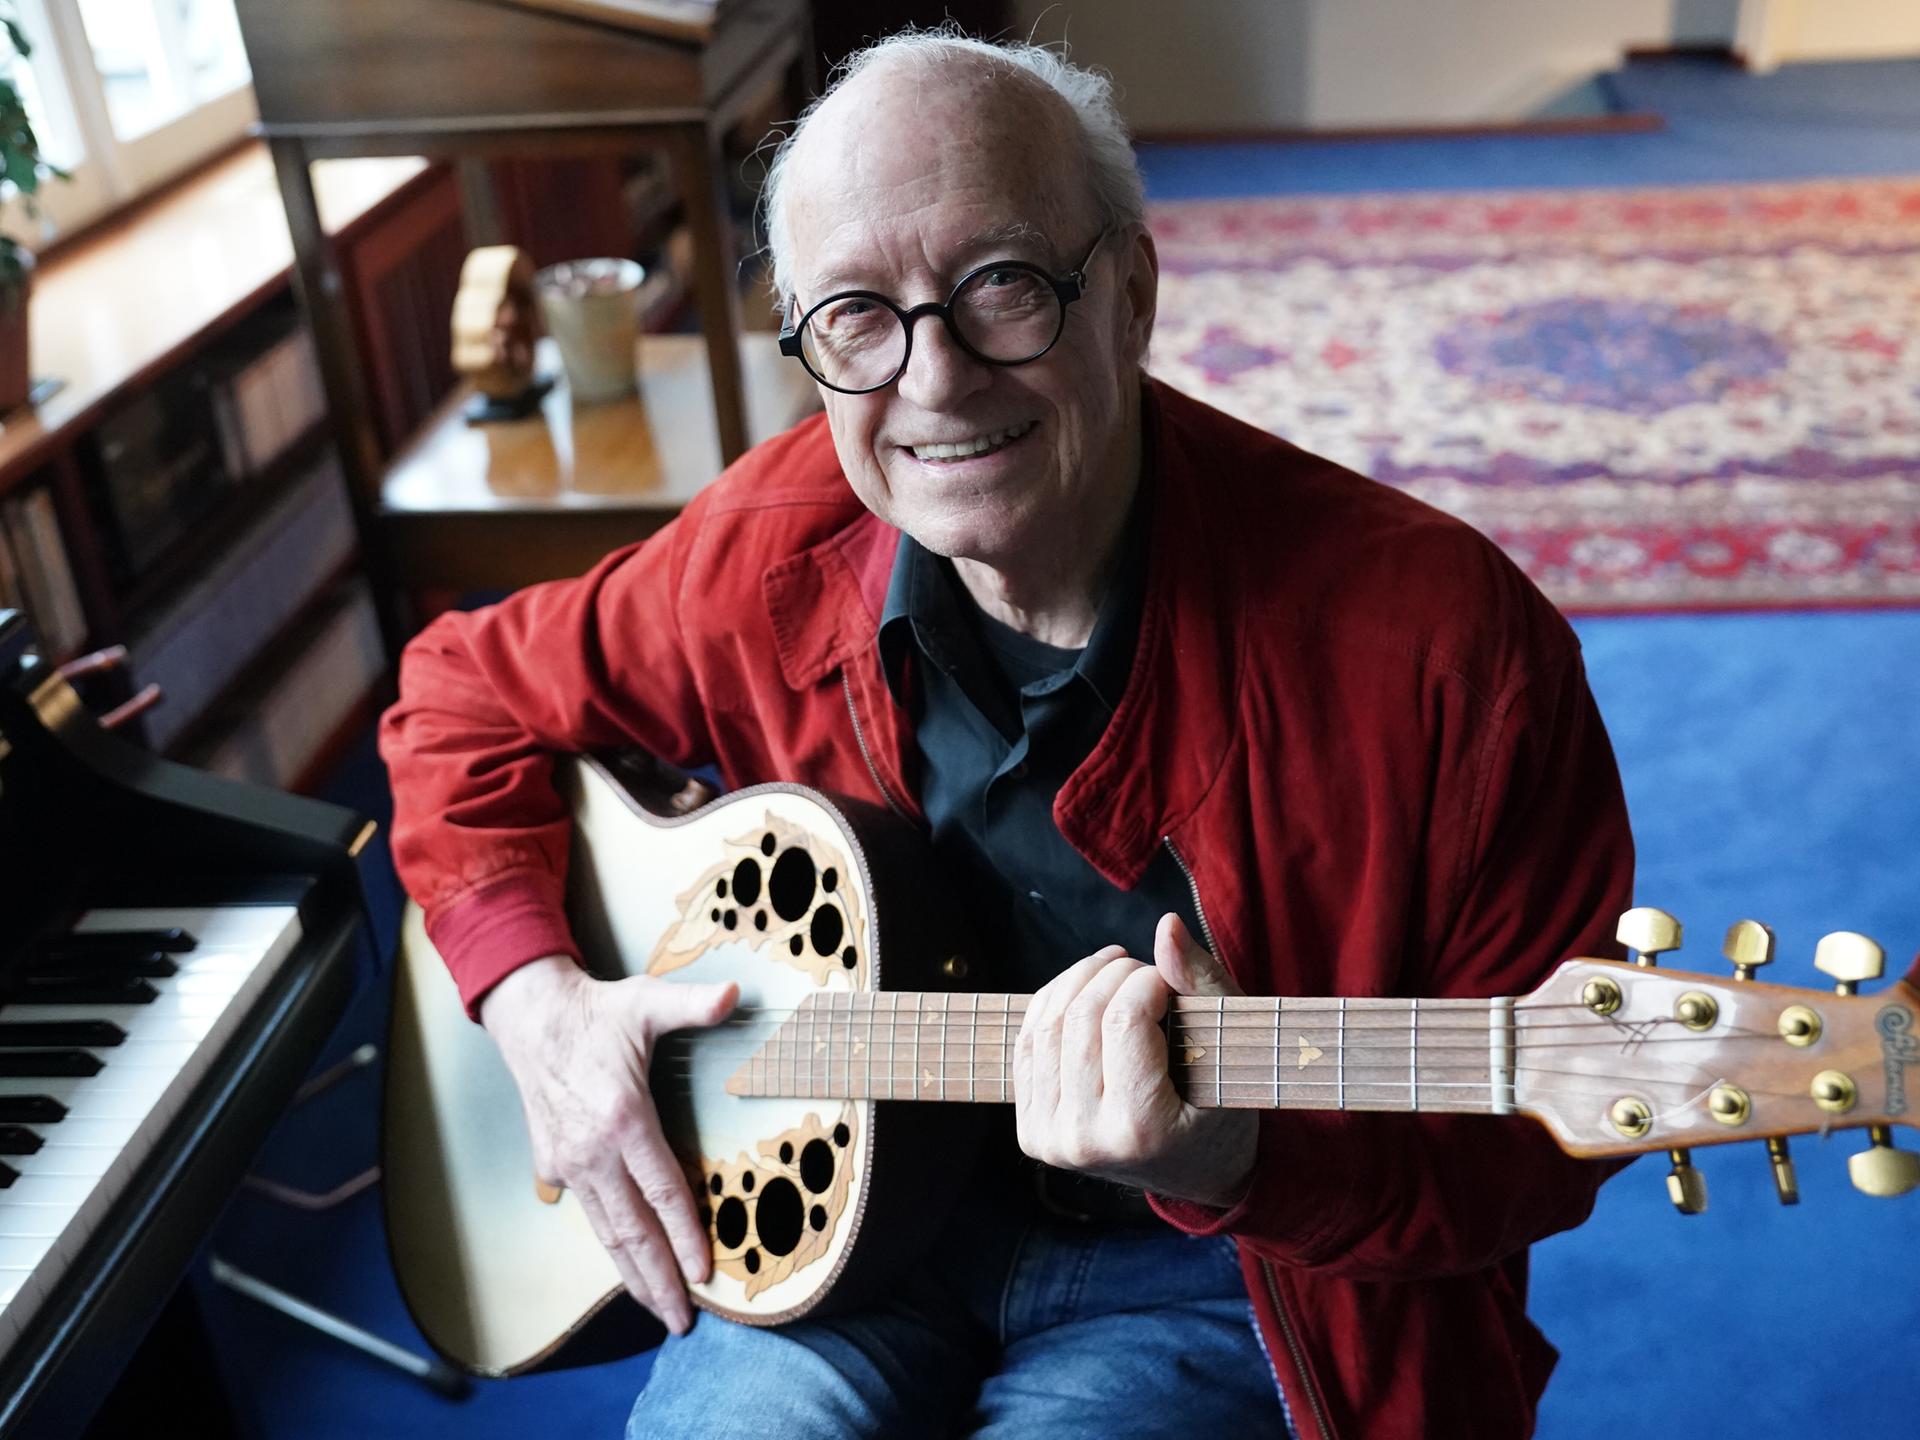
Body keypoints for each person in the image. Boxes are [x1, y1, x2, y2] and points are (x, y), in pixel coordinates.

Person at [379, 29, 1634, 1440]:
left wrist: (1236, 1156)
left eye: (1000, 286)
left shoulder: (1452, 651)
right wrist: (541, 1003)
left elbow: (1526, 1146)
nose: (934, 379)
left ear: (1133, 295)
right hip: (845, 1245)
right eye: (856, 313)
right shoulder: (774, 545)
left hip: (1222, 1274)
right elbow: (459, 693)